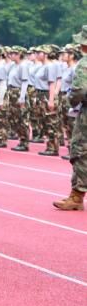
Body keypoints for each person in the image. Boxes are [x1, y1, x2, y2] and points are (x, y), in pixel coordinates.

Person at [53, 30, 86, 211]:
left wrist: (71, 101)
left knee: (80, 152)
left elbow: (79, 90)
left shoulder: (84, 64)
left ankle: (76, 196)